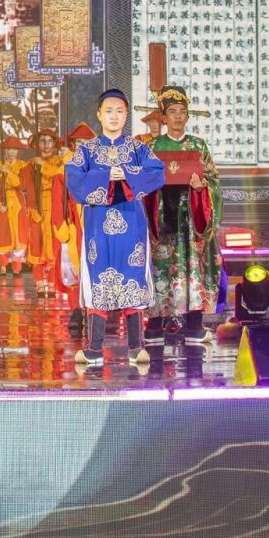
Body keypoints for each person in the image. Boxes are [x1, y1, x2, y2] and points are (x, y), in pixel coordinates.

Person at [62, 89, 165, 367]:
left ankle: (136, 347)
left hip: (132, 224)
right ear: (99, 115)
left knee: (133, 276)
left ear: (126, 115)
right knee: (98, 278)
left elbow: (157, 172)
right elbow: (73, 178)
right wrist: (107, 175)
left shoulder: (137, 148)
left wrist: (128, 174)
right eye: (108, 111)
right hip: (98, 226)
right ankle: (94, 349)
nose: (114, 116)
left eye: (119, 111)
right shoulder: (87, 150)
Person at [146, 87, 222, 346]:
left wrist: (202, 187)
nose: (178, 117)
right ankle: (154, 325)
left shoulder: (198, 145)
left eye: (182, 112)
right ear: (163, 117)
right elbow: (141, 181)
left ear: (188, 116)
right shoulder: (153, 146)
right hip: (161, 217)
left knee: (193, 267)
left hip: (190, 217)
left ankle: (194, 325)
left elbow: (213, 179)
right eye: (172, 112)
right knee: (160, 268)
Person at [53, 122, 97, 334]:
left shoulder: (100, 168)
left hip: (95, 224)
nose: (81, 146)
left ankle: (94, 310)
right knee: (72, 268)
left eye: (85, 143)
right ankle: (76, 310)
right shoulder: (64, 170)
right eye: (78, 143)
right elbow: (57, 200)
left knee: (95, 268)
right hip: (74, 225)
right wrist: (60, 224)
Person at [26, 129, 66, 298]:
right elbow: (28, 187)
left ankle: (52, 282)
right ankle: (39, 284)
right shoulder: (31, 164)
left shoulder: (59, 162)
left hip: (56, 204)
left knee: (55, 244)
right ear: (37, 144)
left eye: (50, 141)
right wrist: (33, 208)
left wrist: (43, 165)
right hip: (38, 204)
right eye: (43, 141)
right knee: (37, 243)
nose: (46, 145)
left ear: (55, 144)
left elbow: (60, 177)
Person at [0, 136, 32, 278]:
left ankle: (17, 268)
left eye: (14, 149)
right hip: (2, 203)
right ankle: (2, 267)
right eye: (9, 149)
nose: (11, 152)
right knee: (3, 234)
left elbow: (22, 184)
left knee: (19, 234)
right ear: (4, 150)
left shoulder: (22, 165)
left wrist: (9, 172)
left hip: (17, 204)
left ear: (18, 151)